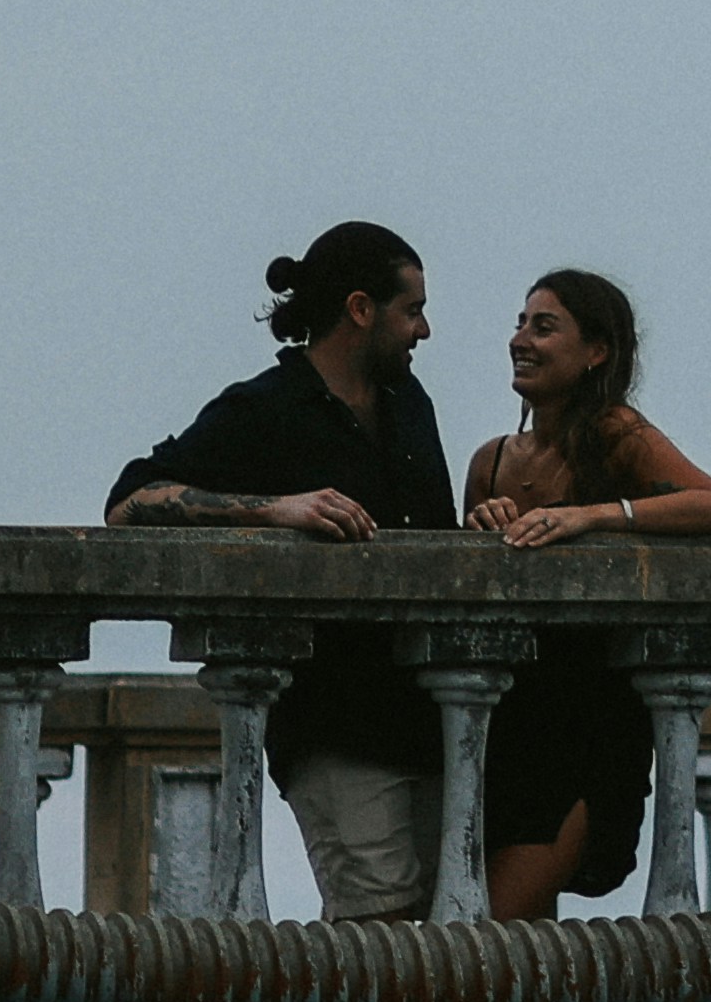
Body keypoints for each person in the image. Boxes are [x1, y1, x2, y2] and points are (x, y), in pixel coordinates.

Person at [103, 221, 458, 921]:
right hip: (334, 725)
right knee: (379, 931)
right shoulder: (264, 407)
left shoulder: (410, 404)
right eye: (412, 310)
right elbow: (130, 502)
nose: (423, 330)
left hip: (431, 714)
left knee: (445, 937)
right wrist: (272, 509)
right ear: (361, 309)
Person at [459, 268, 711, 917]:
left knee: (488, 930)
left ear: (595, 351)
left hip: (588, 725)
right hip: (507, 723)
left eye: (544, 327)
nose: (521, 339)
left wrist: (596, 516)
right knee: (512, 936)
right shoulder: (491, 461)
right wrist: (480, 525)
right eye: (521, 323)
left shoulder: (618, 434)